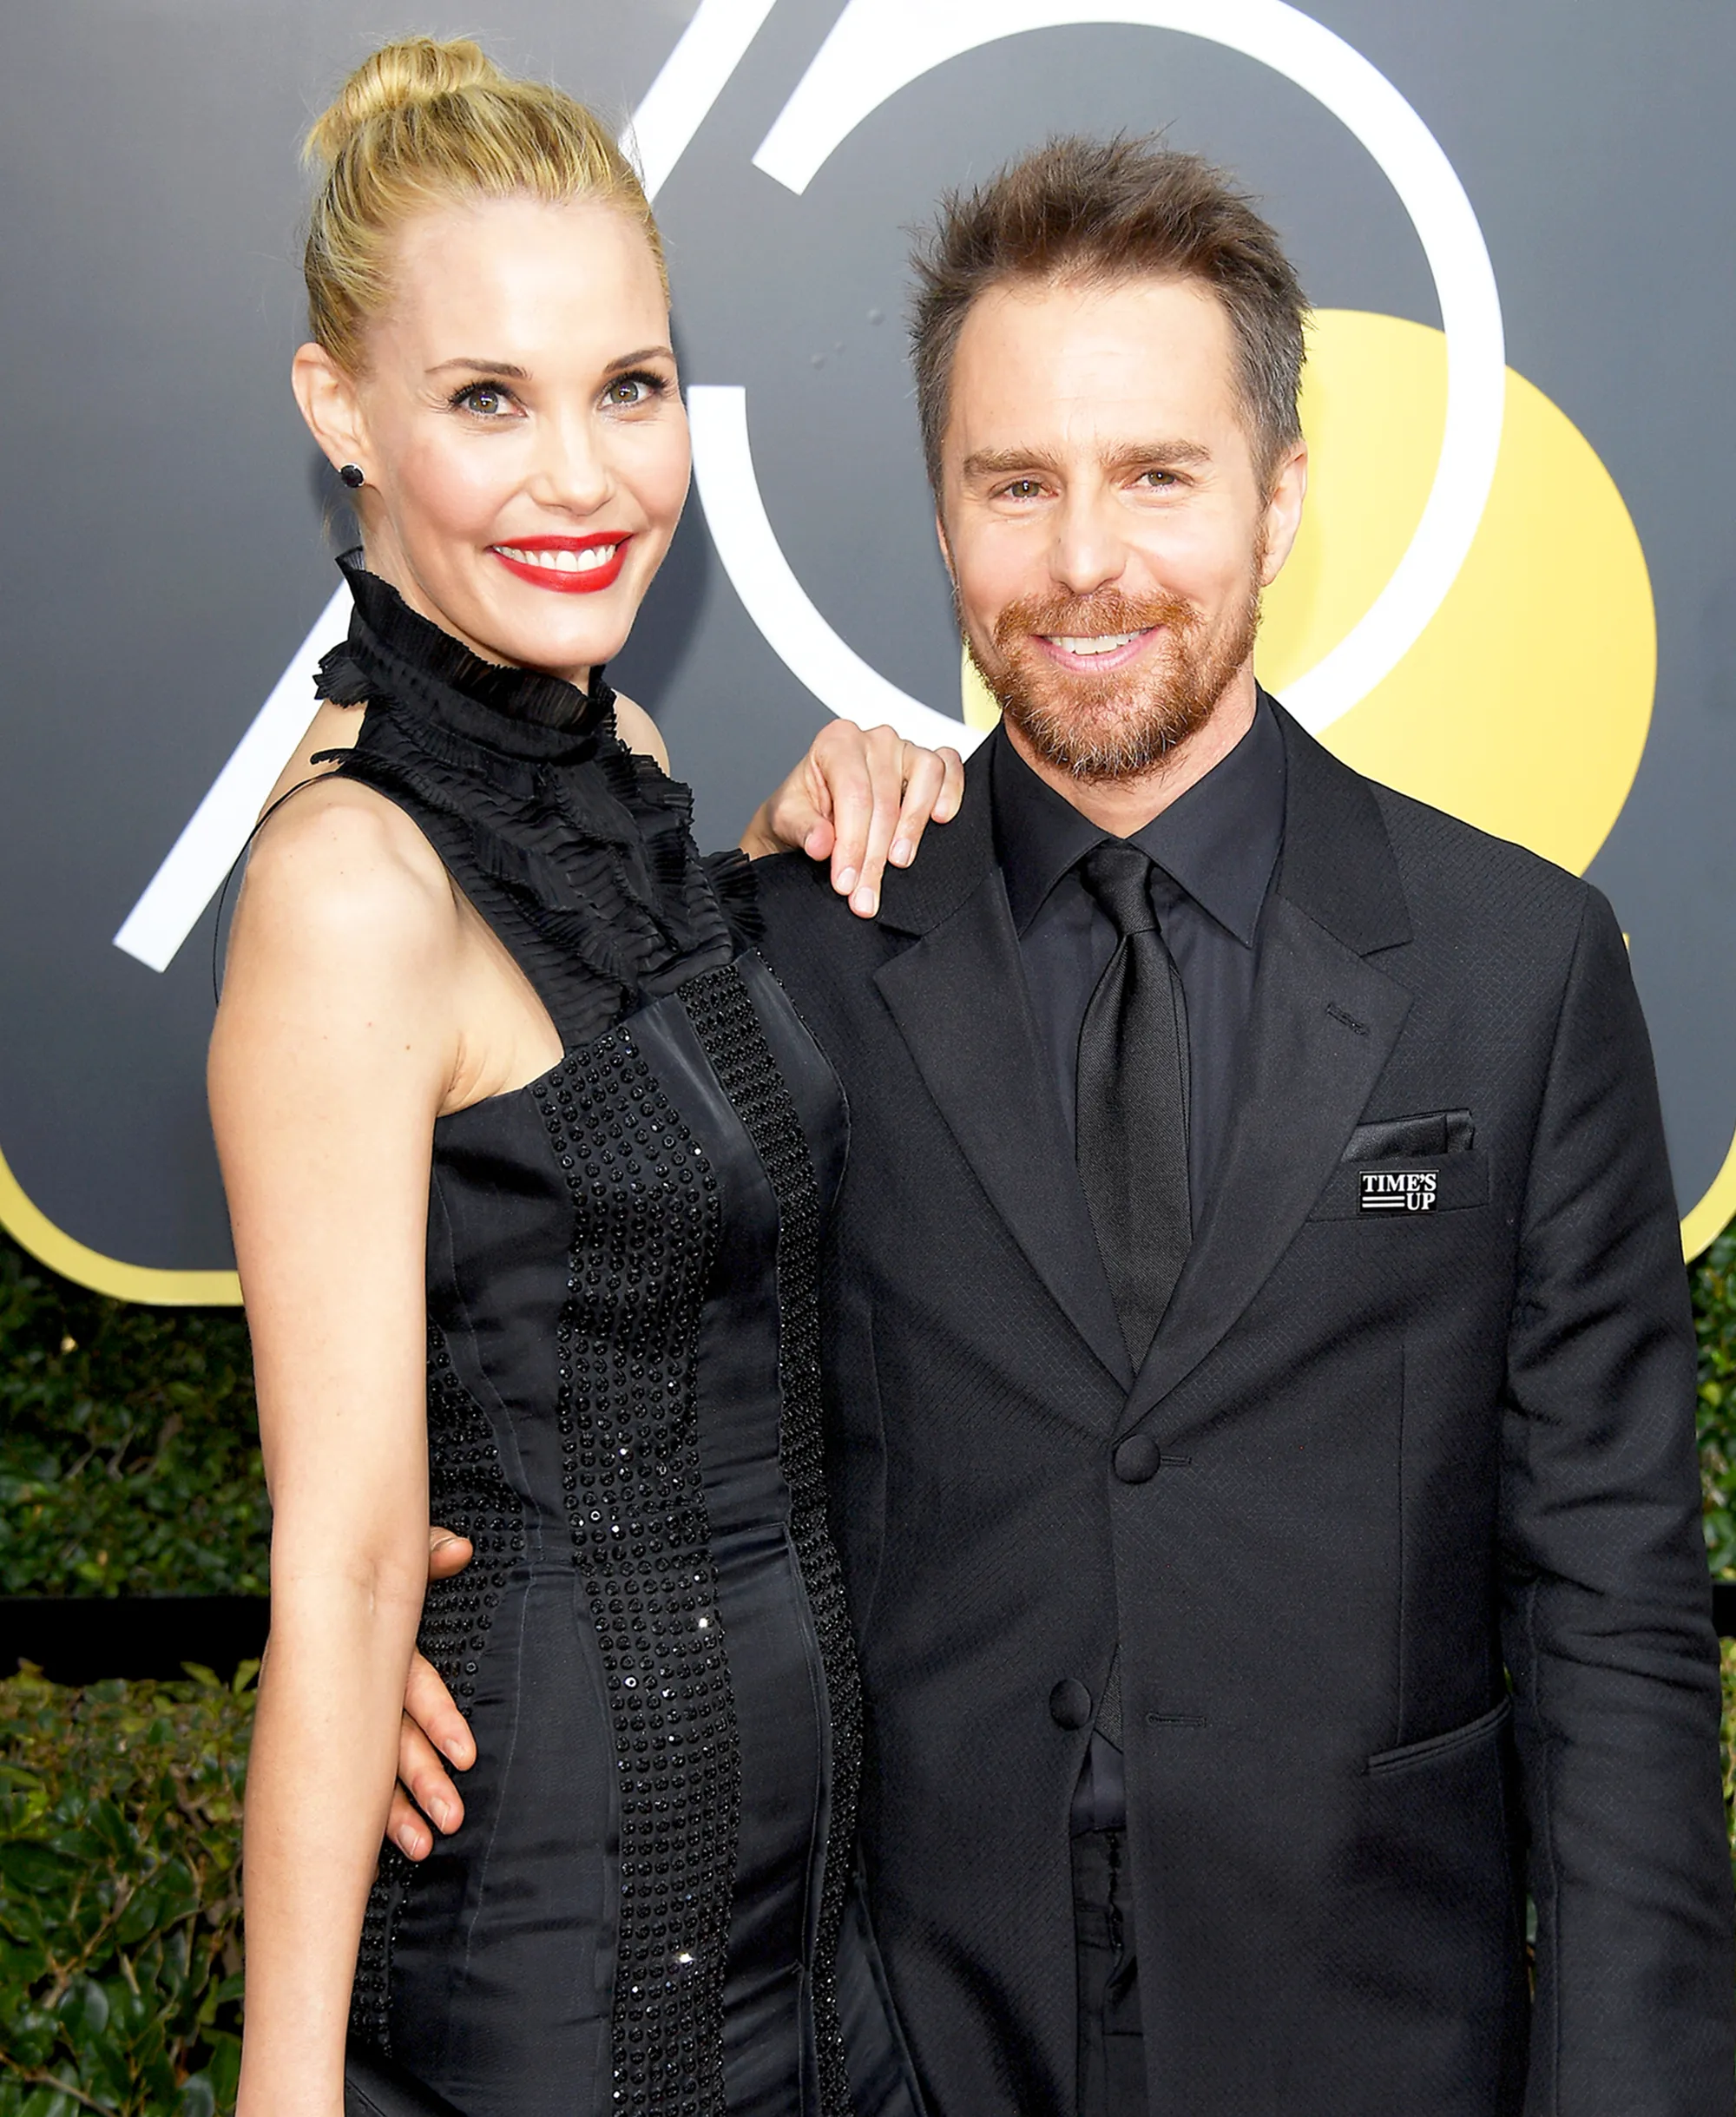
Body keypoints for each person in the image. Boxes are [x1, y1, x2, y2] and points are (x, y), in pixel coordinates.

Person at [399, 138, 1736, 2113]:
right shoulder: (788, 953)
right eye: (1014, 483)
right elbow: (591, 1392)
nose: (1083, 559)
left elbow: (1611, 1604)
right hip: (902, 2045)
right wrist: (428, 1625)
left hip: (1379, 2035)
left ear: (1279, 498)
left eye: (1156, 475)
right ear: (942, 514)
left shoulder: (1517, 967)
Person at [210, 36, 959, 2117]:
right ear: (336, 409)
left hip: (815, 1954)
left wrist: (800, 843)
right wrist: (285, 2093)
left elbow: (613, 1141)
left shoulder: (616, 776)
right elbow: (352, 1559)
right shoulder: (346, 881)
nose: (583, 477)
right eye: (487, 400)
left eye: (628, 388)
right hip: (566, 1978)